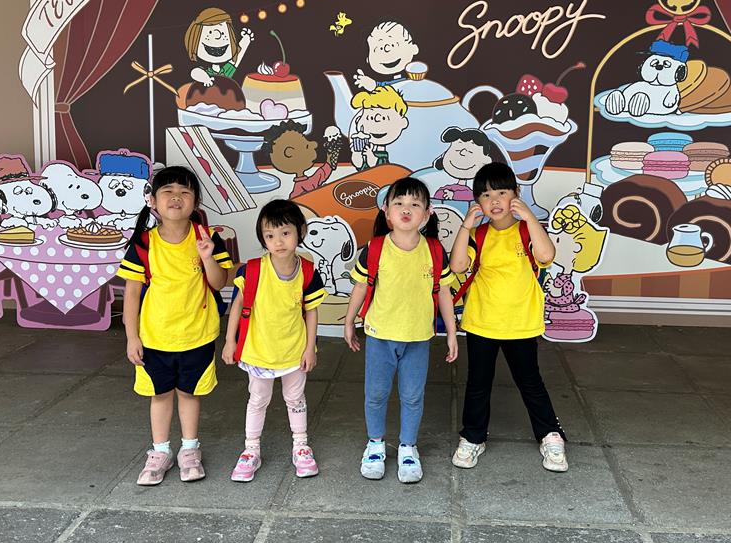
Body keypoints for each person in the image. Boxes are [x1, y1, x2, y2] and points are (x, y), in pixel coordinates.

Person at [448, 162, 569, 472]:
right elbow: (458, 265)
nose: (495, 201)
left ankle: (550, 435)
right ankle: (473, 436)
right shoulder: (478, 234)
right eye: (486, 195)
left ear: (516, 193)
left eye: (502, 192)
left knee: (530, 381)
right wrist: (465, 226)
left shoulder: (527, 230)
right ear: (477, 202)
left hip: (521, 324)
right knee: (478, 383)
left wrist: (529, 217)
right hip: (482, 322)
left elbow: (546, 255)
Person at [118, 166, 235, 486]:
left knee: (189, 393)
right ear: (153, 201)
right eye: (167, 191)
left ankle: (189, 449)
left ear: (196, 201)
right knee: (159, 395)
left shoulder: (208, 238)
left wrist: (207, 257)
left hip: (197, 335)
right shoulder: (144, 243)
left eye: (185, 192)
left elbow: (219, 282)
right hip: (154, 337)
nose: (176, 197)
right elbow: (131, 294)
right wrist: (131, 337)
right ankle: (160, 452)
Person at [344, 177, 458, 483]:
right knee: (376, 395)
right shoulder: (375, 248)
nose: (406, 209)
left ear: (427, 213)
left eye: (415, 204)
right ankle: (375, 444)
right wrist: (349, 321)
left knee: (412, 396)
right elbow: (360, 287)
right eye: (399, 203)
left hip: (418, 338)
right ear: (386, 210)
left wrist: (451, 332)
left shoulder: (434, 251)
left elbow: (444, 293)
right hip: (380, 336)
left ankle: (408, 447)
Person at [222, 199, 327, 481]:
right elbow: (236, 305)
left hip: (294, 350)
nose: (278, 241)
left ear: (301, 231)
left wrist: (310, 348)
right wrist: (230, 341)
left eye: (285, 233)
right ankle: (251, 449)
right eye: (270, 235)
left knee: (295, 398)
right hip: (258, 350)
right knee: (258, 399)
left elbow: (311, 312)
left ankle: (301, 445)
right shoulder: (253, 270)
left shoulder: (307, 272)